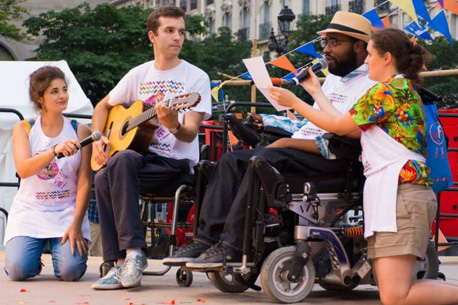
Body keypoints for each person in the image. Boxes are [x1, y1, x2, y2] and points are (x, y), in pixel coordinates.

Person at [163, 11, 377, 268]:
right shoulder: (332, 78)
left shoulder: (370, 84)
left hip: (337, 159)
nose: (326, 50)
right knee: (230, 160)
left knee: (261, 159)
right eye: (325, 42)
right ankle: (207, 239)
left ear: (358, 46)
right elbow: (310, 124)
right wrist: (268, 121)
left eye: (334, 42)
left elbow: (342, 136)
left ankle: (232, 246)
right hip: (306, 150)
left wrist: (285, 143)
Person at [270, 28, 458, 305]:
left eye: (369, 54)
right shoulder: (398, 89)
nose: (366, 61)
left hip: (400, 194)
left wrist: (296, 102)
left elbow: (337, 125)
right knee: (394, 293)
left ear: (386, 57)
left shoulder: (385, 92)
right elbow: (347, 125)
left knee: (396, 296)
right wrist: (316, 92)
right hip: (398, 194)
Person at [90, 6, 211, 290]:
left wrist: (173, 124)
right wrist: (99, 139)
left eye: (181, 31)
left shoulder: (196, 78)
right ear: (152, 36)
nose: (177, 37)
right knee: (102, 175)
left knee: (119, 163)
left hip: (175, 165)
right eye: (169, 31)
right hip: (139, 163)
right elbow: (102, 106)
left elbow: (191, 132)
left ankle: (132, 255)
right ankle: (119, 264)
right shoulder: (138, 74)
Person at [4, 66, 92, 281]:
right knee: (18, 271)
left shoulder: (81, 131)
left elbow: (84, 181)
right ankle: (31, 256)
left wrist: (77, 224)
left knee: (70, 272)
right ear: (39, 97)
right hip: (30, 211)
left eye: (64, 89)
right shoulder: (23, 128)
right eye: (54, 91)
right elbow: (23, 170)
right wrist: (54, 150)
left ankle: (60, 252)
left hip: (66, 212)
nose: (62, 96)